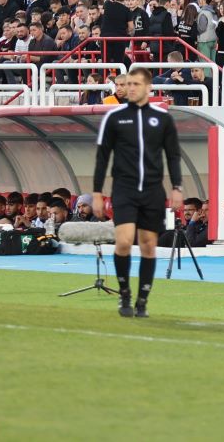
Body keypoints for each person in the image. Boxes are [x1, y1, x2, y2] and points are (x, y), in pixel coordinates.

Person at [93, 66, 186, 318]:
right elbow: (102, 157)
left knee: (148, 246)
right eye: (128, 84)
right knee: (123, 241)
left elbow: (173, 155)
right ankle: (125, 294)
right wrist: (97, 192)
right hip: (124, 189)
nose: (130, 88)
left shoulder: (163, 119)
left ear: (148, 87)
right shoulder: (114, 117)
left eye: (135, 84)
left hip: (153, 191)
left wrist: (177, 187)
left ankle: (142, 300)